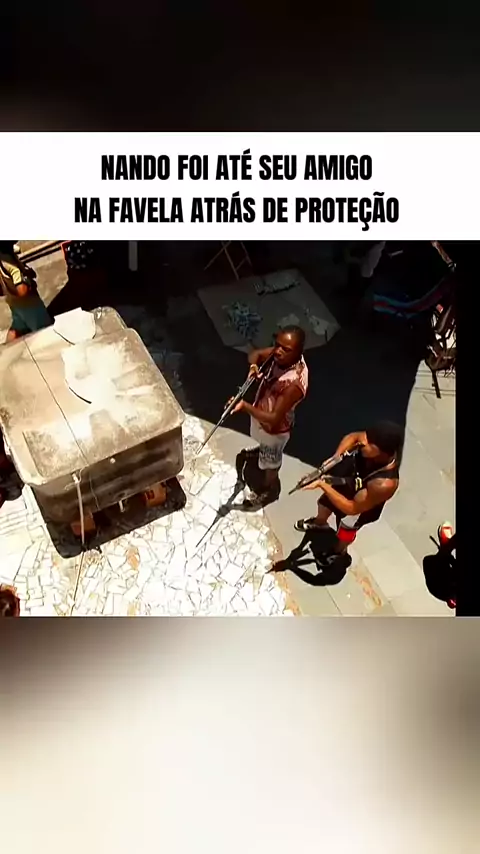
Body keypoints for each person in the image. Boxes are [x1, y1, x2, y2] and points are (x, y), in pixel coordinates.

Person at [294, 421, 403, 559]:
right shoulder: (369, 441)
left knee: (346, 531)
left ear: (384, 453)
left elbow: (352, 508)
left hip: (360, 505)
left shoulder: (384, 484)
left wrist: (322, 485)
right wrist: (335, 458)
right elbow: (353, 437)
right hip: (350, 481)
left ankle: (338, 551)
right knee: (324, 503)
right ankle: (320, 523)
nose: (363, 443)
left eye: (370, 444)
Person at [230, 325, 308, 509]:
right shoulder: (280, 355)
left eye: (285, 349)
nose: (278, 351)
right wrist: (253, 367)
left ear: (298, 351)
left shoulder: (294, 384)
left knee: (271, 464)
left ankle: (267, 489)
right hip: (261, 414)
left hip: (275, 430)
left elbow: (273, 418)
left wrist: (245, 406)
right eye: (277, 345)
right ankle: (261, 451)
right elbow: (255, 354)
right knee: (262, 444)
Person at [0, 243, 52, 341]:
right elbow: (22, 289)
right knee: (45, 331)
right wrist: (27, 282)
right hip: (29, 304)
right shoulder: (9, 262)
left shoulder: (3, 258)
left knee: (17, 330)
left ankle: (7, 349)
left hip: (15, 303)